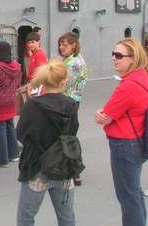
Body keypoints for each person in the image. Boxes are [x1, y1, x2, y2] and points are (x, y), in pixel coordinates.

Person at [16, 60, 79, 226]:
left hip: (37, 165)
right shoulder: (71, 105)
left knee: (26, 217)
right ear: (64, 80)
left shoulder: (32, 106)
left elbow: (20, 133)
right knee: (66, 217)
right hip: (63, 164)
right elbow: (73, 132)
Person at [95, 38, 148, 226]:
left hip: (124, 145)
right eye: (113, 54)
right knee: (134, 193)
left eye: (118, 55)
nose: (113, 58)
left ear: (132, 58)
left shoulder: (127, 86)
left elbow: (106, 116)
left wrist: (101, 114)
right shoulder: (142, 77)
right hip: (138, 141)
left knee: (128, 199)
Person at [58, 32, 87, 186]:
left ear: (73, 45)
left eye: (65, 44)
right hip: (70, 102)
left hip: (69, 103)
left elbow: (62, 84)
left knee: (68, 137)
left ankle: (75, 171)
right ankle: (71, 168)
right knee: (67, 135)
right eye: (60, 44)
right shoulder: (70, 60)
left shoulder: (74, 63)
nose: (61, 47)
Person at [0, 41, 22, 168]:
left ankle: (3, 159)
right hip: (11, 101)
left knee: (1, 131)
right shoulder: (17, 66)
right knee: (10, 126)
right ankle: (13, 154)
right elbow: (18, 84)